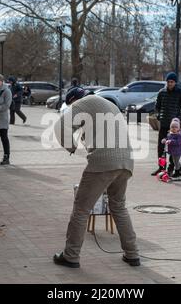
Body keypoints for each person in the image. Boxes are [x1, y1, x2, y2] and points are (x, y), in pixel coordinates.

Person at [52, 89, 140, 268]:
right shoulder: (107, 104)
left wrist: (71, 146)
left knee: (81, 209)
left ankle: (70, 256)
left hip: (103, 163)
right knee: (118, 206)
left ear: (74, 100)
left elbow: (60, 126)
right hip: (126, 162)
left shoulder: (83, 102)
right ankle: (132, 254)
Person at [152, 72, 181, 176]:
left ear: (175, 82)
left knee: (173, 148)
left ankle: (171, 168)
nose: (169, 84)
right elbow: (156, 107)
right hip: (164, 124)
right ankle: (161, 167)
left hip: (174, 128)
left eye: (172, 82)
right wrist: (158, 115)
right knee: (161, 147)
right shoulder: (162, 92)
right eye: (168, 82)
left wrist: (177, 120)